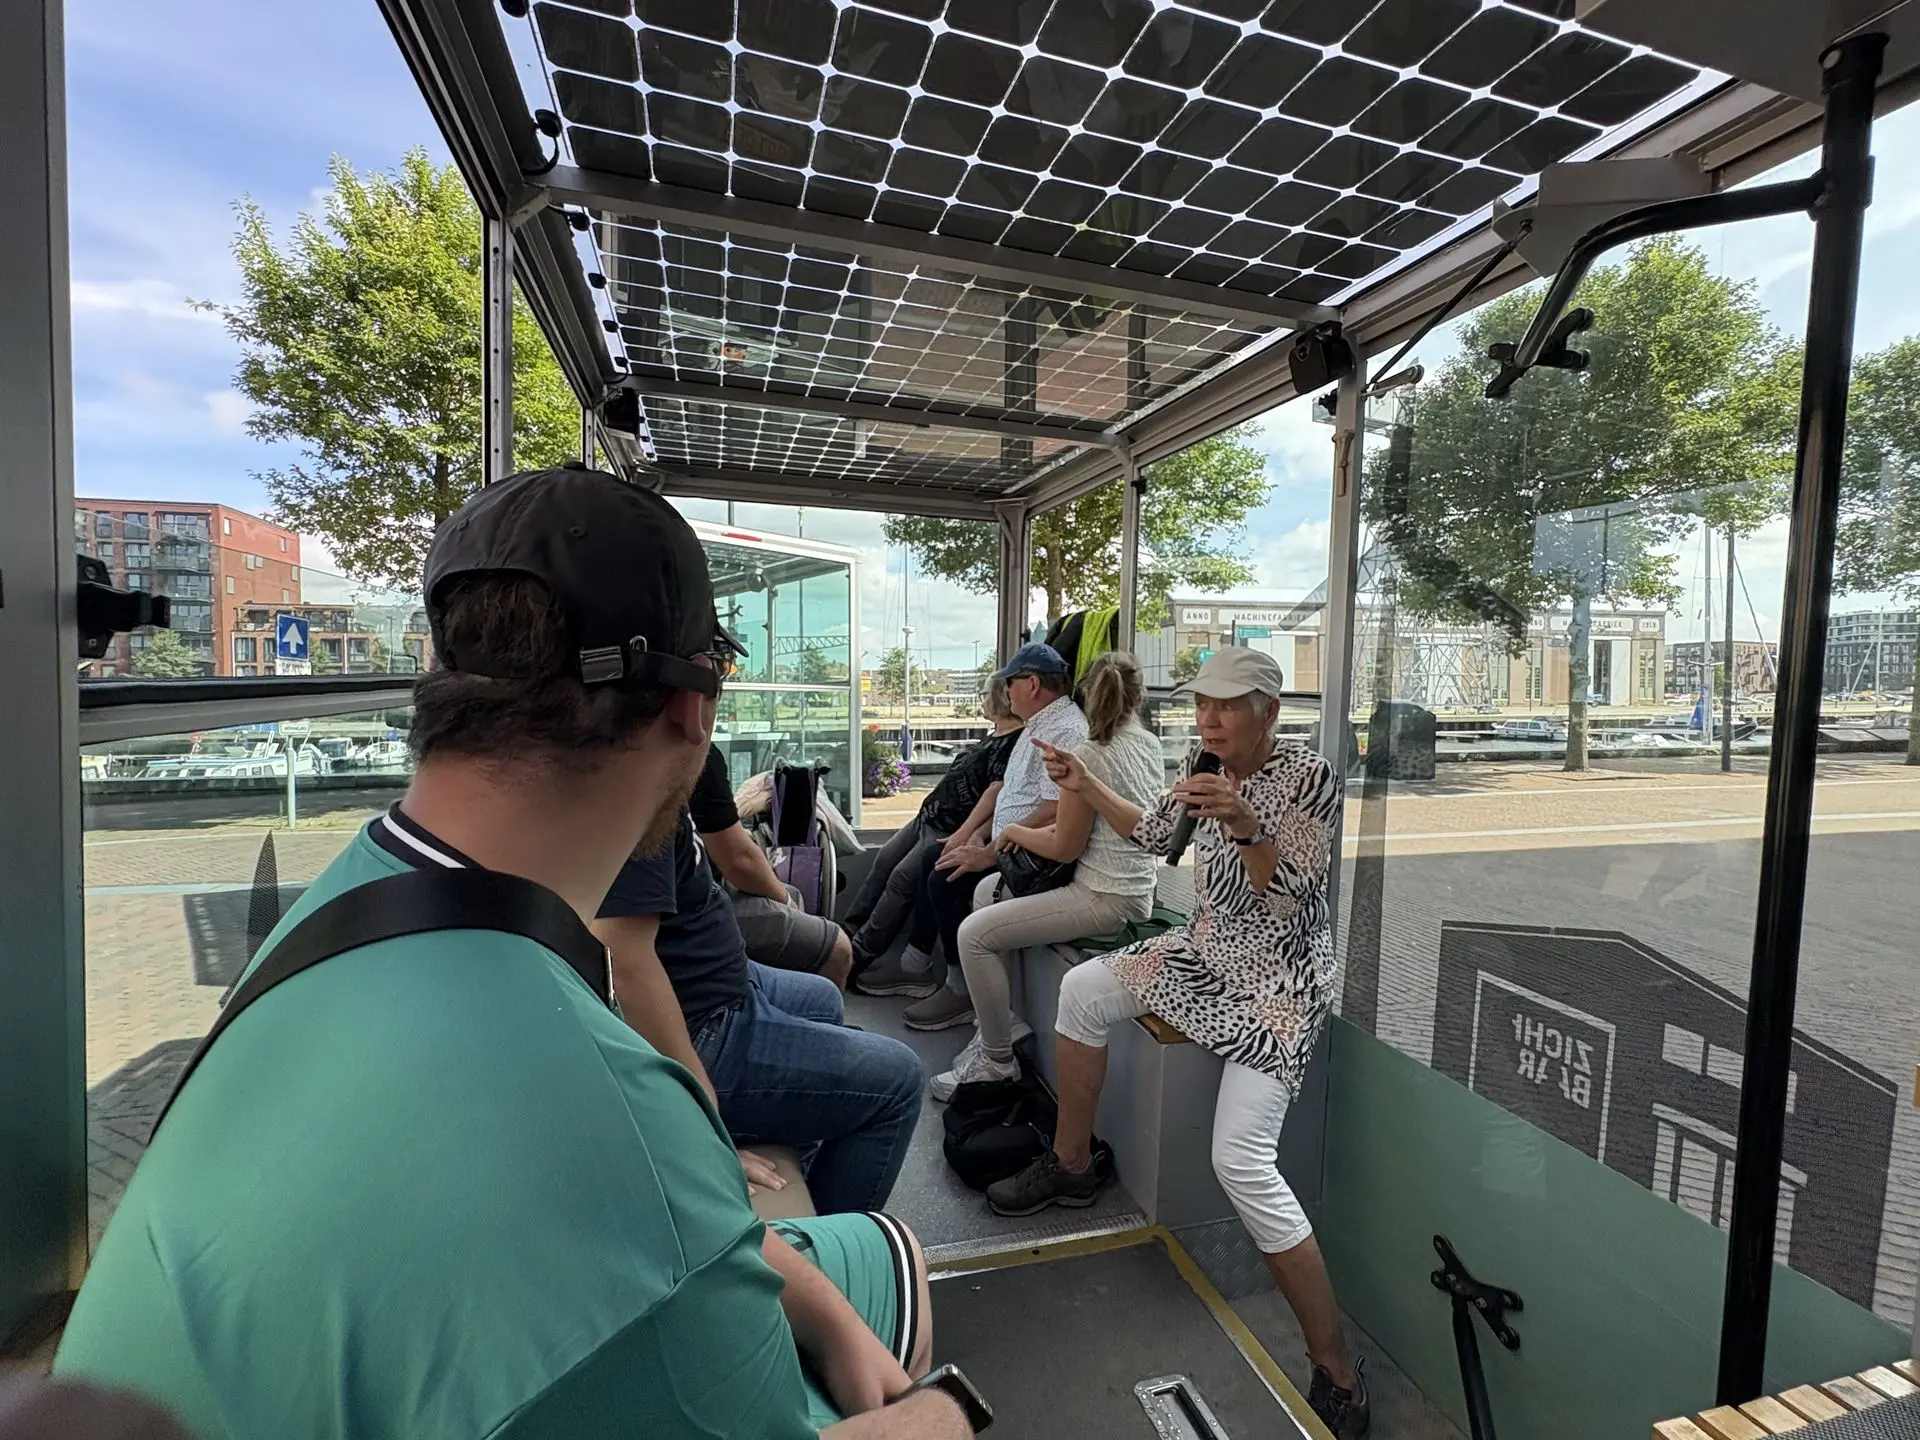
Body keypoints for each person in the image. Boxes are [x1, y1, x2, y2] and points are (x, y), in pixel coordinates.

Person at [55, 465, 967, 1440]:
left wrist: (802, 1293)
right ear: (690, 710)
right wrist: (951, 1415)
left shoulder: (347, 902)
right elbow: (635, 1192)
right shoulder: (610, 1115)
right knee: (897, 1272)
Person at [984, 647, 1370, 1438]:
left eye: (1226, 706)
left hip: (1278, 981)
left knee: (1242, 1161)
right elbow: (1155, 834)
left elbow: (1289, 896)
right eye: (1201, 704)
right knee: (1083, 990)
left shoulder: (1310, 777)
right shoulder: (1203, 765)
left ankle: (1338, 1367)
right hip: (1205, 951)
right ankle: (1071, 1165)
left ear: (1268, 710)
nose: (1209, 719)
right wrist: (1084, 784)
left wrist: (1245, 822)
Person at [595, 803, 924, 1215]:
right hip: (703, 1026)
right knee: (900, 1080)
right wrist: (697, 1123)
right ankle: (825, 1241)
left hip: (721, 984)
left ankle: (797, 1160)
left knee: (822, 998)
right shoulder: (634, 794)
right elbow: (623, 964)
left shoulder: (654, 788)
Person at [929, 653, 1163, 1100]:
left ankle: (996, 1059)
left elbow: (1065, 847)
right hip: (1132, 889)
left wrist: (1011, 833)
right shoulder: (1148, 744)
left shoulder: (1087, 754)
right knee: (986, 891)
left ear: (1086, 695)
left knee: (973, 935)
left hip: (1104, 896)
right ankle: (999, 1025)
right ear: (1140, 699)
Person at [901, 642, 1085, 1033]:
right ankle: (926, 970)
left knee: (945, 878)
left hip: (1034, 859)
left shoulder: (1066, 731)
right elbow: (1010, 795)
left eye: (1010, 683)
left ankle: (960, 990)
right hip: (1005, 843)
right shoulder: (1037, 725)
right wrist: (977, 835)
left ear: (1032, 684)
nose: (1006, 692)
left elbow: (1055, 809)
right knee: (937, 858)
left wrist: (989, 853)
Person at [849, 674, 1023, 997]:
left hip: (949, 828)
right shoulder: (992, 735)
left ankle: (857, 955)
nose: (982, 699)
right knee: (883, 862)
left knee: (902, 880)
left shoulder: (1014, 742)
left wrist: (966, 833)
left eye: (985, 693)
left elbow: (996, 793)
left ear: (1000, 697)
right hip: (928, 818)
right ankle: (846, 936)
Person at [693, 742, 856, 988]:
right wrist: (786, 901)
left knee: (794, 894)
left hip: (706, 888)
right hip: (704, 904)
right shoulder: (697, 756)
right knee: (838, 949)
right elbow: (738, 861)